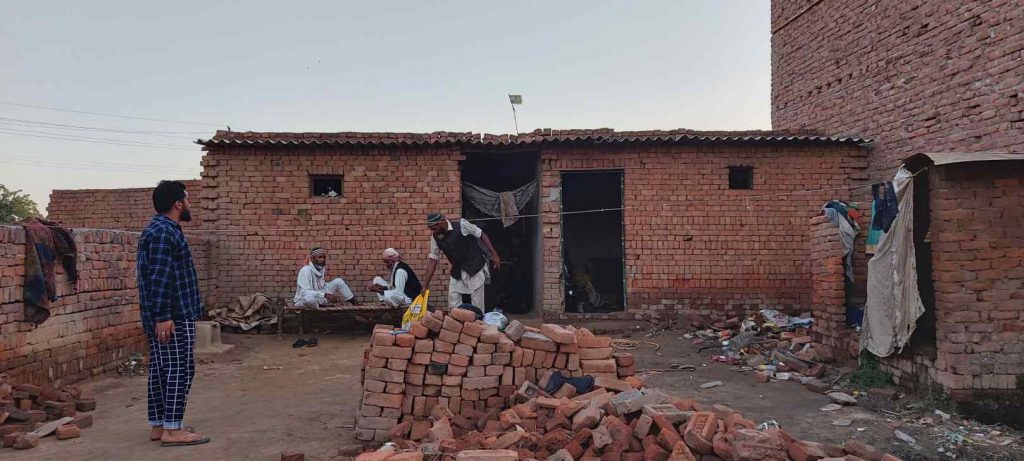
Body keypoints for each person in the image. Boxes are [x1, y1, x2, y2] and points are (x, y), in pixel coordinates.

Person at [136, 180, 210, 447]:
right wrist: (164, 316)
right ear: (178, 203)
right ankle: (173, 430)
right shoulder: (165, 233)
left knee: (161, 369)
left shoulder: (158, 230)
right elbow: (160, 277)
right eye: (187, 199)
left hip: (166, 314)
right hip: (174, 315)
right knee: (180, 369)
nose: (190, 204)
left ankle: (160, 425)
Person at [421, 212, 501, 310]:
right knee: (453, 299)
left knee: (477, 301)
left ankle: (478, 323)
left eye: (434, 228)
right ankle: (456, 323)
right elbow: (433, 260)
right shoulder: (435, 238)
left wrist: (494, 255)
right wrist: (425, 285)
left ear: (441, 223)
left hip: (475, 265)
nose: (433, 231)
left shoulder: (461, 225)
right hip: (457, 269)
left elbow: (481, 234)